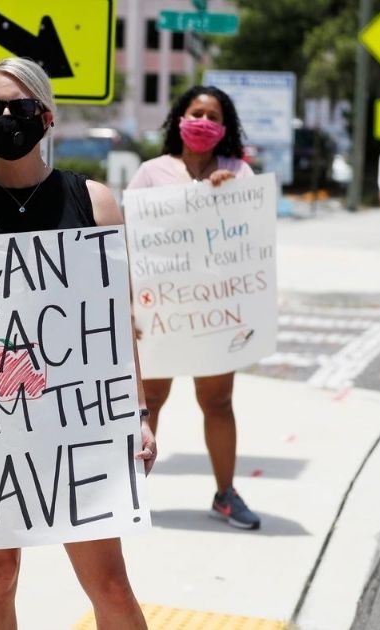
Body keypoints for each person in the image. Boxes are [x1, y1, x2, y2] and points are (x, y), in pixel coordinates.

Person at [0, 57, 156, 630]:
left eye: (20, 107)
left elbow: (114, 320)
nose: (7, 117)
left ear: (46, 117)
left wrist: (140, 413)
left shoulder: (94, 202)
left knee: (107, 582)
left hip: (77, 424)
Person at [125, 85, 262, 531]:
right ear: (179, 119)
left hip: (214, 311)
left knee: (218, 401)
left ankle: (226, 494)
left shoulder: (238, 172)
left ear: (225, 128)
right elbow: (125, 241)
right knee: (151, 402)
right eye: (196, 112)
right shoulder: (151, 173)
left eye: (213, 115)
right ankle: (129, 493)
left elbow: (252, 237)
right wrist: (127, 303)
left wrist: (227, 196)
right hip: (160, 309)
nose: (203, 121)